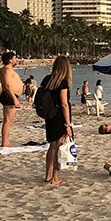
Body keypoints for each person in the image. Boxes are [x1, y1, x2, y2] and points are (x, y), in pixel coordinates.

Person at [42, 56, 74, 185]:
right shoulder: (63, 81)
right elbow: (64, 103)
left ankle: (48, 174)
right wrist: (68, 124)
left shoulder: (47, 79)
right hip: (59, 116)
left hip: (49, 115)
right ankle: (55, 177)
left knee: (52, 146)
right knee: (59, 146)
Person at [0, 52, 23, 148]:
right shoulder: (7, 70)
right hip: (9, 96)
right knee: (8, 120)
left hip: (10, 96)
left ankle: (6, 141)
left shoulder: (7, 70)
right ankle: (5, 142)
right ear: (10, 60)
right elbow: (7, 85)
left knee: (9, 120)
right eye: (15, 58)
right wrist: (14, 99)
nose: (16, 60)